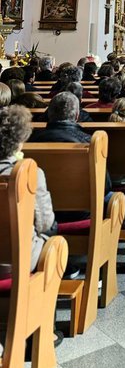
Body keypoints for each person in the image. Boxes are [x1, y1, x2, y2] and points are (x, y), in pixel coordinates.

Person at [0, 105, 55, 272]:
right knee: (53, 239)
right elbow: (45, 223)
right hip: (18, 260)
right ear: (20, 140)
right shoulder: (29, 173)